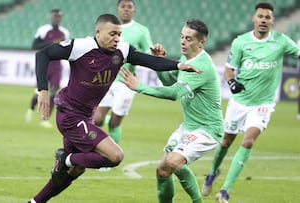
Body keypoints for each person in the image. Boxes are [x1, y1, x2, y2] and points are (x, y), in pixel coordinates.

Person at [27, 14, 201, 203]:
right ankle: (66, 159)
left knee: (73, 171)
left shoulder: (122, 50)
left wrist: (179, 65)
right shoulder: (81, 46)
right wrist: (42, 90)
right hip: (70, 115)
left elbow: (149, 61)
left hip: (86, 117)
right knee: (115, 156)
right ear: (98, 32)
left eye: (119, 34)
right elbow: (43, 54)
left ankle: (36, 200)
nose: (117, 38)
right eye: (112, 34)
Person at [201, 2, 300, 203]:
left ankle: (225, 191)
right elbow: (229, 69)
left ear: (272, 21)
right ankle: (212, 173)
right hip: (239, 102)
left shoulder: (281, 41)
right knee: (226, 141)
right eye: (260, 16)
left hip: (262, 104)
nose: (263, 20)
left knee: (248, 141)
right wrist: (231, 82)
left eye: (268, 17)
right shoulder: (240, 42)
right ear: (254, 19)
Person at [121, 19, 223, 203]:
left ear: (201, 42)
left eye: (189, 39)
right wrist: (160, 62)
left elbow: (174, 93)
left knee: (174, 161)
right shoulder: (186, 59)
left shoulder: (202, 66)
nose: (183, 42)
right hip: (189, 126)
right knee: (162, 170)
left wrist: (139, 87)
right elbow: (170, 83)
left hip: (207, 130)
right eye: (182, 37)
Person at [94, 0, 153, 147]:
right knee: (97, 120)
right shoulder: (107, 27)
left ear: (134, 10)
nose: (126, 9)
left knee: (114, 123)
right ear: (117, 9)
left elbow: (148, 51)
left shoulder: (141, 30)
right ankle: (97, 150)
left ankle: (109, 161)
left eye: (129, 7)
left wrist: (154, 52)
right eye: (123, 6)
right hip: (106, 79)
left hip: (126, 82)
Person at [25, 8, 70, 128]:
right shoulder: (43, 30)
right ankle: (31, 108)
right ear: (51, 17)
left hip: (57, 66)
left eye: (59, 16)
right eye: (55, 16)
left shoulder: (65, 33)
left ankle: (45, 119)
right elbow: (34, 45)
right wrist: (50, 44)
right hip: (45, 65)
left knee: (54, 93)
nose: (57, 18)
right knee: (39, 92)